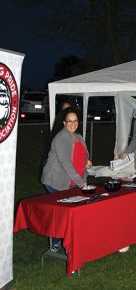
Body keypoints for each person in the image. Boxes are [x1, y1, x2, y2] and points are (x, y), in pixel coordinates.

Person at [41, 107, 92, 251]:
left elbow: (82, 154)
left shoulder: (78, 136)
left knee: (70, 212)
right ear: (64, 122)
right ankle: (56, 244)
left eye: (75, 121)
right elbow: (65, 163)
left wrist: (87, 162)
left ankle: (70, 240)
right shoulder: (61, 138)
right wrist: (82, 183)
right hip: (57, 180)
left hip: (73, 180)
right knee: (61, 214)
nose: (72, 123)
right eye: (69, 121)